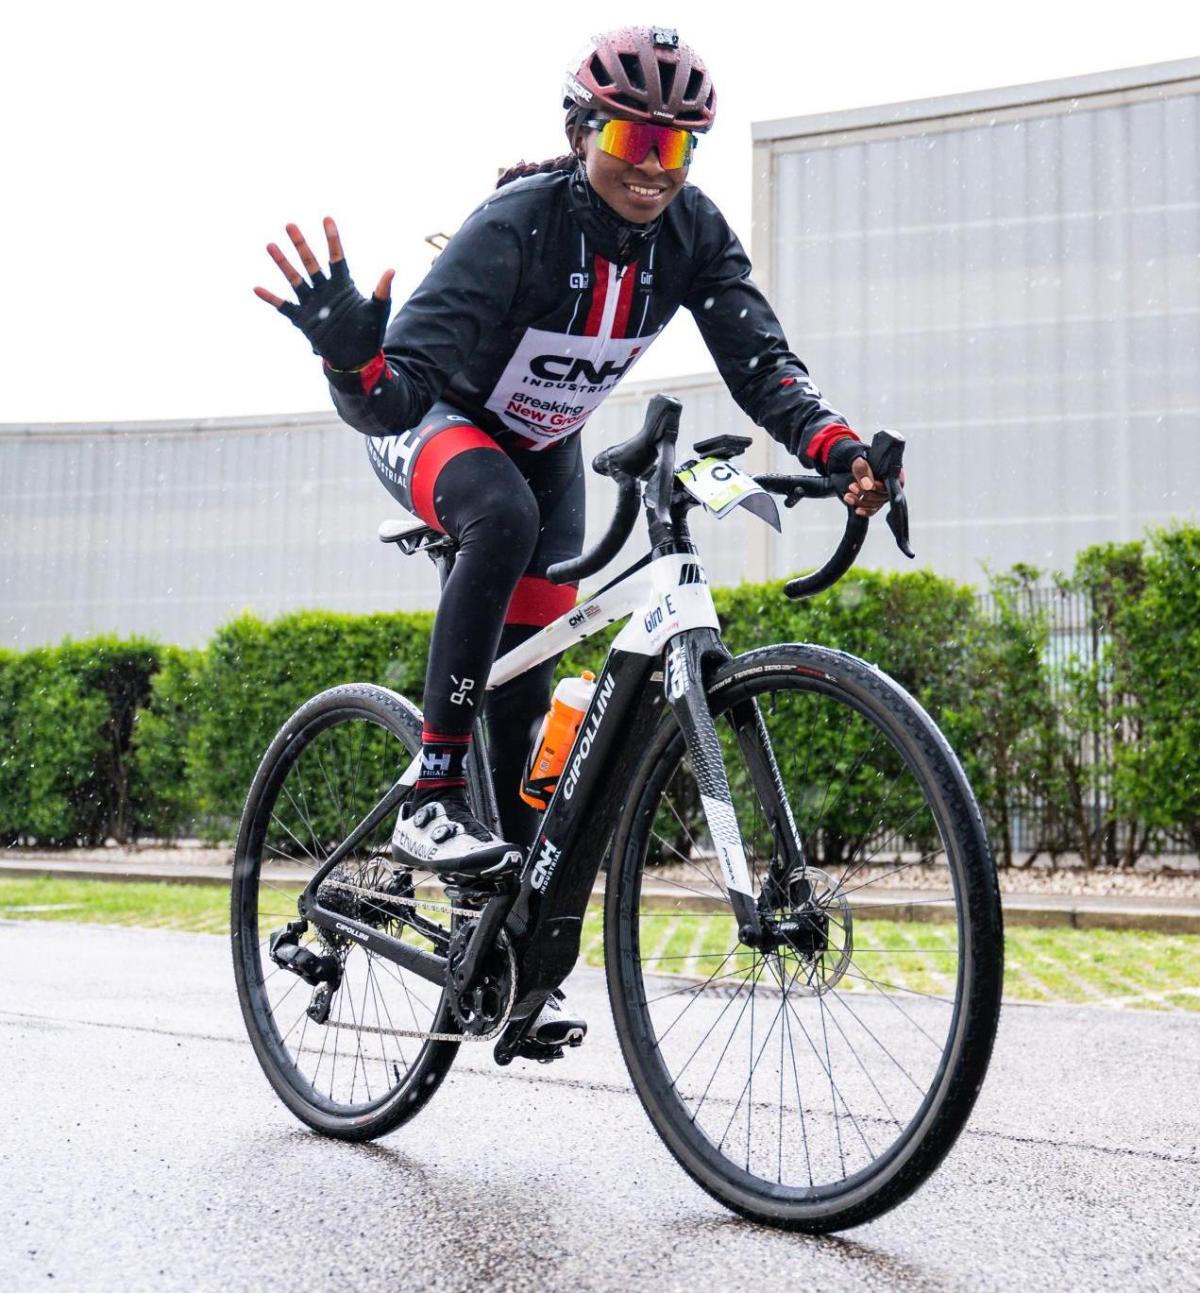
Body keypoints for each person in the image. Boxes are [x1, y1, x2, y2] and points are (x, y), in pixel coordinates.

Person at [256, 27, 890, 1044]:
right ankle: (426, 794)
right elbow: (395, 392)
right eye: (634, 142)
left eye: (676, 150)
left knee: (520, 697)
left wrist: (836, 445)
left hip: (545, 451)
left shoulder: (691, 235)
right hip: (430, 422)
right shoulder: (516, 227)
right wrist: (351, 367)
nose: (652, 170)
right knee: (496, 516)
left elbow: (760, 358)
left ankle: (495, 959)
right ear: (582, 131)